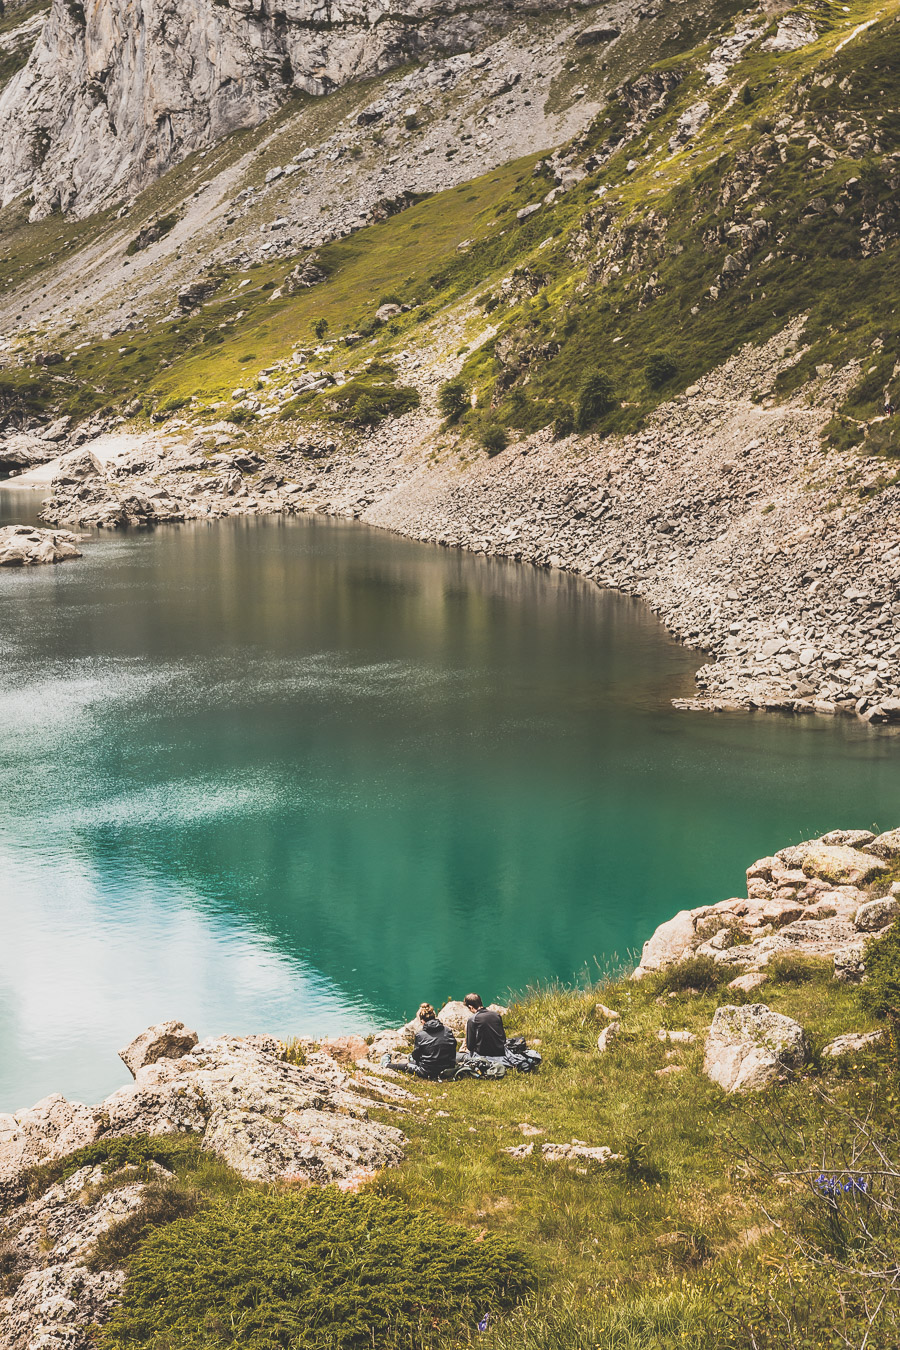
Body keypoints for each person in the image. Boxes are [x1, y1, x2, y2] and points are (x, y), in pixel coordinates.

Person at [382, 1003, 458, 1079]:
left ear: (422, 1021)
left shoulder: (420, 1035)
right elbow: (453, 1047)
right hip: (448, 1068)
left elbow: (416, 1056)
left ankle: (386, 1064)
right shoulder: (447, 1030)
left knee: (409, 1063)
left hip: (427, 1071)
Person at [463, 993, 507, 1058]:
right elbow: (503, 1038)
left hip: (483, 1054)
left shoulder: (472, 1019)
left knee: (459, 1056)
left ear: (470, 1007)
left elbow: (470, 1046)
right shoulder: (496, 1015)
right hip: (500, 1052)